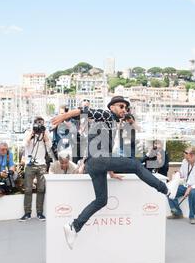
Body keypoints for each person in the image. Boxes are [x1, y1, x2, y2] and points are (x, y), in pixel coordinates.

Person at [51, 95, 179, 249]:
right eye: (121, 106)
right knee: (136, 166)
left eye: (126, 108)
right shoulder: (105, 114)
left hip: (94, 164)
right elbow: (83, 111)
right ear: (112, 107)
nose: (124, 110)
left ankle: (74, 226)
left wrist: (110, 171)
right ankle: (166, 190)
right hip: (98, 160)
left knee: (101, 200)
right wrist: (62, 117)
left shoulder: (112, 124)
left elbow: (105, 149)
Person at [19, 116, 54, 222]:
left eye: (41, 124)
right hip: (30, 164)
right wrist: (32, 133)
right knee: (28, 189)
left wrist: (44, 134)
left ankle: (40, 213)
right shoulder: (29, 132)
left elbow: (49, 146)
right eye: (38, 123)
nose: (40, 126)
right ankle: (27, 213)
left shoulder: (45, 133)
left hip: (42, 164)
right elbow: (24, 144)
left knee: (41, 189)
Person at [167, 146, 195, 224]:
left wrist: (191, 188)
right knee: (170, 191)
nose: (186, 160)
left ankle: (192, 216)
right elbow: (182, 173)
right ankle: (177, 213)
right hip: (186, 185)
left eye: (188, 158)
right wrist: (178, 173)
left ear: (193, 155)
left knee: (193, 193)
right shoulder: (185, 161)